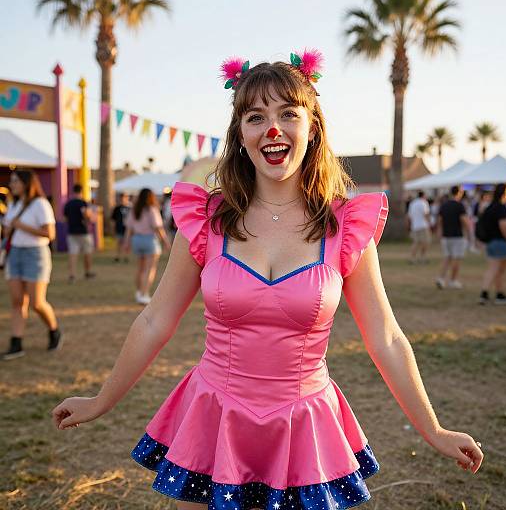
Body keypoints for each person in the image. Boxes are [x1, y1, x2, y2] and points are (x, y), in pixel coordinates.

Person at [52, 51, 483, 509]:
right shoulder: (206, 219)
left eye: (287, 114)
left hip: (303, 426)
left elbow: (386, 338)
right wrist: (102, 400)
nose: (272, 129)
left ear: (312, 127)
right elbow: (156, 320)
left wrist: (433, 429)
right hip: (213, 420)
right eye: (256, 117)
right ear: (241, 135)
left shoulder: (345, 225)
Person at [1, 169, 62, 360]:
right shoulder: (13, 204)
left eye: (16, 181)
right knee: (18, 301)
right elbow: (8, 230)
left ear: (27, 183)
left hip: (35, 254)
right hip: (15, 253)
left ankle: (54, 330)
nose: (12, 185)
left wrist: (21, 226)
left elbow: (49, 234)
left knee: (37, 302)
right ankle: (16, 343)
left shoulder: (40, 204)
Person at [123, 188, 171, 304]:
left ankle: (139, 292)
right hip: (149, 240)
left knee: (140, 268)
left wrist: (126, 243)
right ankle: (144, 294)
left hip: (136, 240)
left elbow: (129, 229)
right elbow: (158, 228)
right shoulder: (152, 209)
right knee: (150, 269)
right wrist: (166, 242)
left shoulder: (134, 210)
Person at [478, 183, 506, 305]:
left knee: (495, 269)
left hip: (490, 242)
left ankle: (498, 293)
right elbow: (503, 226)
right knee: (497, 270)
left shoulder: (489, 207)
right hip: (500, 242)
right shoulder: (501, 208)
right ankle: (486, 293)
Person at [436, 186, 471, 289]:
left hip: (446, 236)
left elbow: (439, 221)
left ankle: (441, 278)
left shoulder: (444, 205)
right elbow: (464, 220)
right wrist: (469, 232)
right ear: (459, 193)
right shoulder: (460, 206)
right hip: (457, 236)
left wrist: (439, 232)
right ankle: (453, 280)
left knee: (447, 258)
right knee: (456, 259)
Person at [63, 184, 95, 282]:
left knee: (73, 254)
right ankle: (87, 271)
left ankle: (72, 275)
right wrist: (89, 220)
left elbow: (65, 218)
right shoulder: (83, 203)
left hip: (72, 231)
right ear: (81, 191)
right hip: (83, 231)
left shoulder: (68, 204)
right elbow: (87, 215)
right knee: (87, 252)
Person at [407, 190, 431, 263]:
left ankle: (412, 258)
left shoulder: (412, 203)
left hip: (415, 226)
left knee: (416, 243)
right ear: (423, 196)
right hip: (423, 225)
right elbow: (426, 214)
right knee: (425, 242)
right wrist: (429, 223)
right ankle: (422, 258)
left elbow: (409, 216)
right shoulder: (424, 203)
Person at [111, 192, 131, 262]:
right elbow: (113, 220)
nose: (123, 199)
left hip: (127, 229)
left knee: (127, 243)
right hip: (119, 228)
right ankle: (118, 256)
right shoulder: (117, 208)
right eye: (122, 198)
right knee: (119, 243)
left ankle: (126, 256)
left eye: (125, 198)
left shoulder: (130, 208)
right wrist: (113, 229)